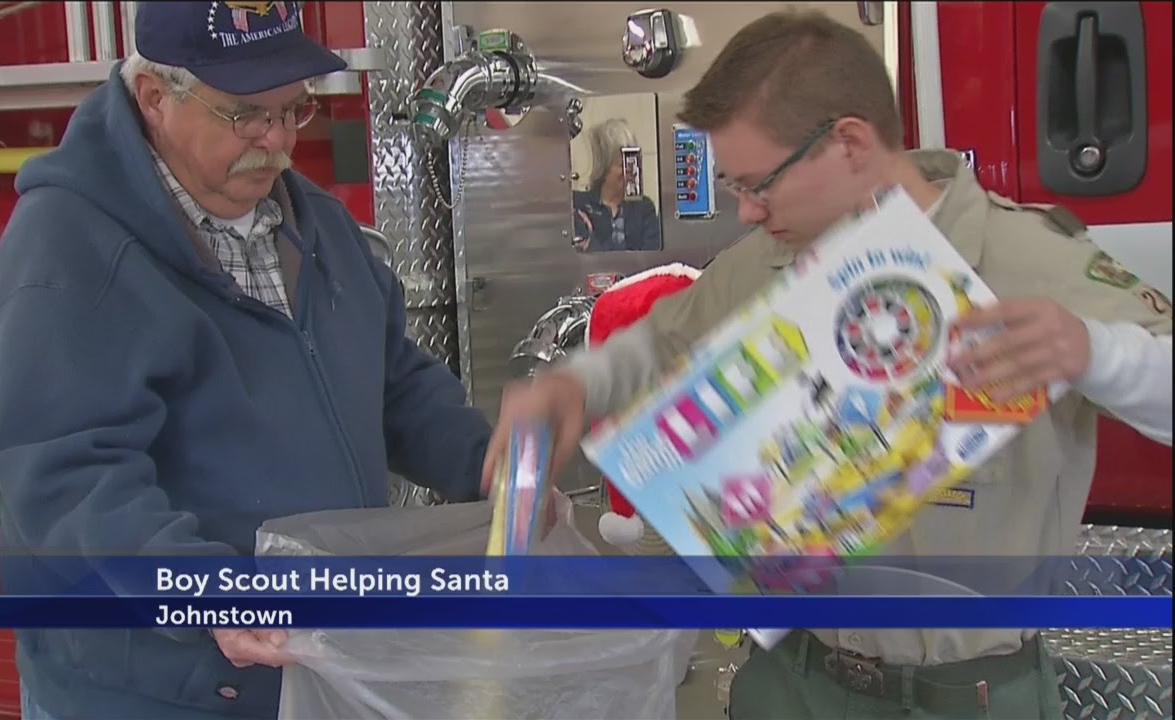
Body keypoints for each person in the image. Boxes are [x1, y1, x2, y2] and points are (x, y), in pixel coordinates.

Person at [485, 10, 1172, 720]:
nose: (747, 213)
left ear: (848, 142)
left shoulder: (1027, 260)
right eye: (733, 188)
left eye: (759, 184)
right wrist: (575, 386)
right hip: (792, 683)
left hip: (963, 696)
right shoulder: (773, 261)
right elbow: (663, 341)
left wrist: (1099, 354)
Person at [0, 2, 491, 718]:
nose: (278, 142)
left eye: (294, 109)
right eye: (246, 115)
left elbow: (391, 381)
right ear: (155, 98)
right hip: (155, 693)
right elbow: (65, 473)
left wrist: (488, 460)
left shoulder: (312, 222)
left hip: (299, 667)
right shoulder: (69, 249)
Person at [572, 118, 662, 252]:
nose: (630, 172)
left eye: (633, 164)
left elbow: (650, 260)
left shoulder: (644, 209)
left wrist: (592, 245)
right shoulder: (579, 205)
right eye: (622, 165)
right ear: (604, 168)